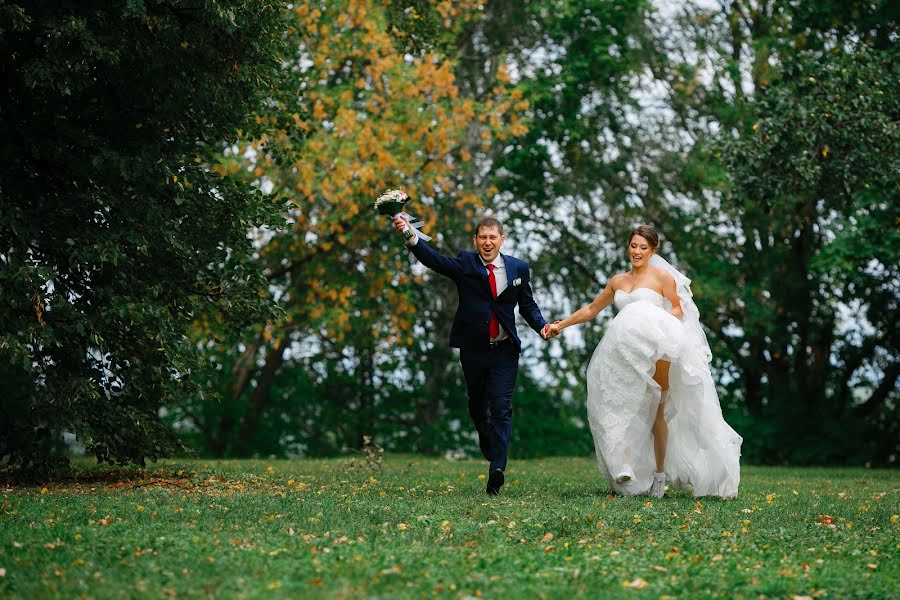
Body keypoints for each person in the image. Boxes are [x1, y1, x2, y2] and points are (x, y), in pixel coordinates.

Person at [546, 225, 742, 498]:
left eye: (643, 247)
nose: (637, 251)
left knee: (656, 411)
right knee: (622, 403)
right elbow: (592, 309)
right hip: (625, 350)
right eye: (634, 246)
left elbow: (677, 307)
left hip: (657, 349)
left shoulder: (662, 278)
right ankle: (625, 464)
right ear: (628, 246)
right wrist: (560, 325)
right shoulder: (618, 281)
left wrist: (660, 324)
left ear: (652, 251)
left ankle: (660, 476)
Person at [392, 214, 552, 495]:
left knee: (502, 407)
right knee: (478, 406)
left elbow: (527, 305)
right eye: (482, 237)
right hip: (474, 349)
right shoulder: (466, 264)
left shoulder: (518, 268)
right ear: (476, 240)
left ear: (502, 240)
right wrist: (410, 236)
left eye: (493, 237)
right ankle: (487, 439)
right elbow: (435, 260)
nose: (487, 242)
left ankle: (497, 468)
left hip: (505, 350)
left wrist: (542, 327)